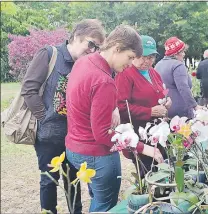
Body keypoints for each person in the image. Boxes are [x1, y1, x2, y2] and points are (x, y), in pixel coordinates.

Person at [20, 19, 106, 214]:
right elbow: (29, 90)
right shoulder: (49, 54)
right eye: (90, 44)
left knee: (73, 181)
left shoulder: (88, 64)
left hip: (74, 137)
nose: (93, 50)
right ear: (76, 36)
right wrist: (45, 118)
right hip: (49, 137)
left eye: (97, 47)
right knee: (49, 181)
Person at [65, 25, 142, 212]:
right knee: (104, 206)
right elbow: (101, 135)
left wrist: (113, 106)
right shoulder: (104, 80)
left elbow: (86, 98)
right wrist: (141, 147)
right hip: (96, 153)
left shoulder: (85, 61)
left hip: (73, 148)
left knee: (96, 197)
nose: (131, 64)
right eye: (130, 57)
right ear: (117, 48)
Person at [115, 35, 169, 177]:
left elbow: (161, 92)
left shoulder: (153, 72)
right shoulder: (125, 74)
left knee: (162, 169)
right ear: (134, 55)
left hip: (158, 131)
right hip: (140, 133)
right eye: (143, 56)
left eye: (151, 57)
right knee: (146, 173)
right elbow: (121, 107)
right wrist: (149, 111)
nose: (147, 61)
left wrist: (167, 102)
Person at [155, 37, 200, 119]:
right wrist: (195, 106)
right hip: (180, 110)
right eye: (182, 52)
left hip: (164, 109)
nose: (184, 54)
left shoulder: (158, 65)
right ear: (176, 53)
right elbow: (183, 88)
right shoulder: (178, 65)